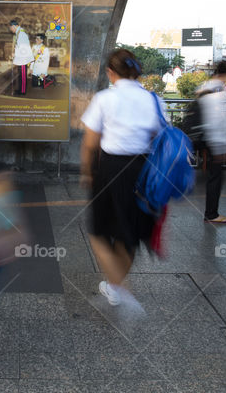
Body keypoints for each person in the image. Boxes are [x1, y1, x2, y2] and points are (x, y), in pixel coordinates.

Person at [80, 48, 164, 312]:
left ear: (110, 72)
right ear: (136, 70)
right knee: (129, 235)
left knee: (98, 231)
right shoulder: (154, 99)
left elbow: (90, 143)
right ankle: (115, 286)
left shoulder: (105, 98)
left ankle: (117, 285)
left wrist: (86, 172)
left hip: (110, 169)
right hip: (143, 172)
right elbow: (157, 137)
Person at [196, 60, 226, 224]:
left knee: (210, 175)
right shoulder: (221, 92)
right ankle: (211, 214)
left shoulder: (205, 86)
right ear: (225, 75)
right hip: (214, 139)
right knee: (215, 177)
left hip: (199, 135)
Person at [8, 19, 33, 96]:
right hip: (21, 58)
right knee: (21, 75)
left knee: (23, 75)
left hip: (23, 58)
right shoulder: (19, 33)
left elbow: (23, 48)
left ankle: (22, 91)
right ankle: (20, 89)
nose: (10, 29)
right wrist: (15, 52)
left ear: (14, 26)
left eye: (11, 28)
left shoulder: (21, 34)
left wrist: (15, 54)